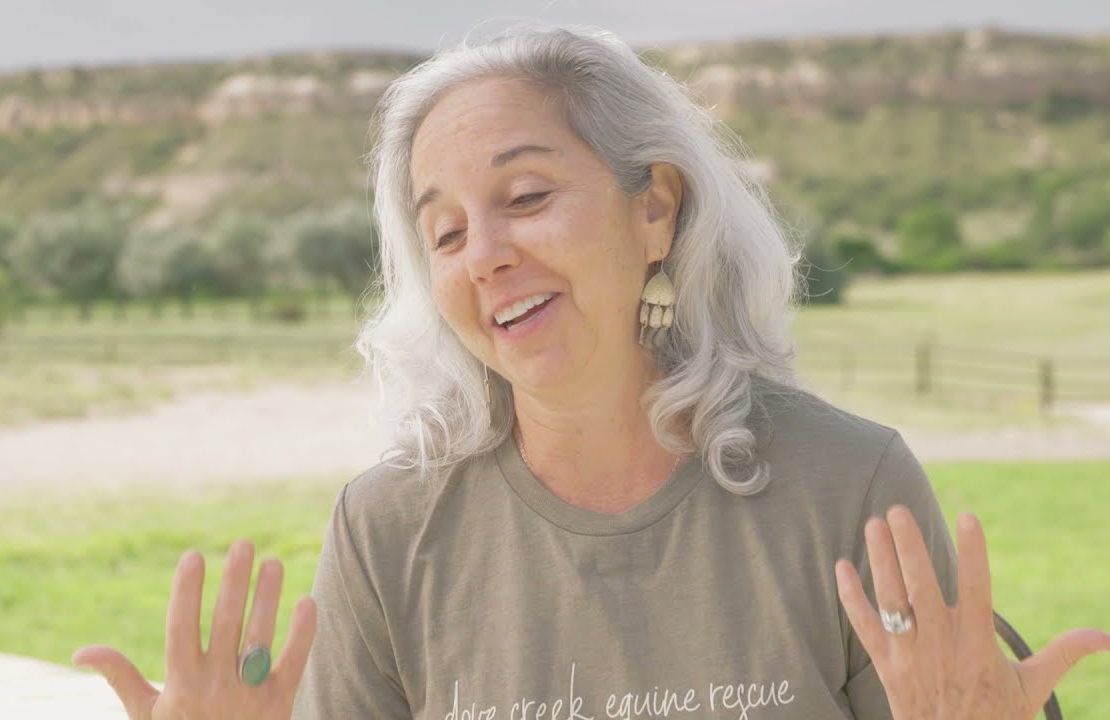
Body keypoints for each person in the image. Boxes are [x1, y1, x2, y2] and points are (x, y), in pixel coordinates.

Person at [71, 24, 1109, 719]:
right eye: (443, 233)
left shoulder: (847, 488)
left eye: (523, 197)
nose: (483, 253)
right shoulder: (388, 530)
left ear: (654, 207)